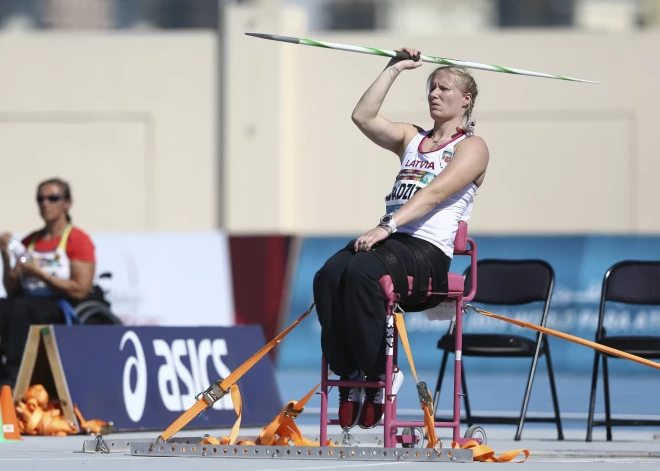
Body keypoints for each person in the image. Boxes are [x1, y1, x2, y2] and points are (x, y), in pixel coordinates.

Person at [313, 47, 489, 430]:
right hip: (392, 241)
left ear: (466, 99)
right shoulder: (412, 138)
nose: (434, 94)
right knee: (328, 275)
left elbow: (435, 194)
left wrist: (387, 226)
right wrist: (394, 68)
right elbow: (362, 116)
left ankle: (380, 375)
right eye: (431, 88)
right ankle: (351, 377)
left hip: (427, 250)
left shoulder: (472, 148)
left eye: (444, 88)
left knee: (361, 272)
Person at [0, 178, 96, 387]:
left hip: (60, 305)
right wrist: (6, 259)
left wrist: (41, 275)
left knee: (20, 309)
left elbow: (80, 289)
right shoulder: (30, 241)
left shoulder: (76, 239)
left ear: (67, 203)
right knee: (5, 305)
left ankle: (12, 381)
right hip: (25, 302)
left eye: (53, 198)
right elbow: (12, 289)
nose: (45, 203)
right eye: (41, 199)